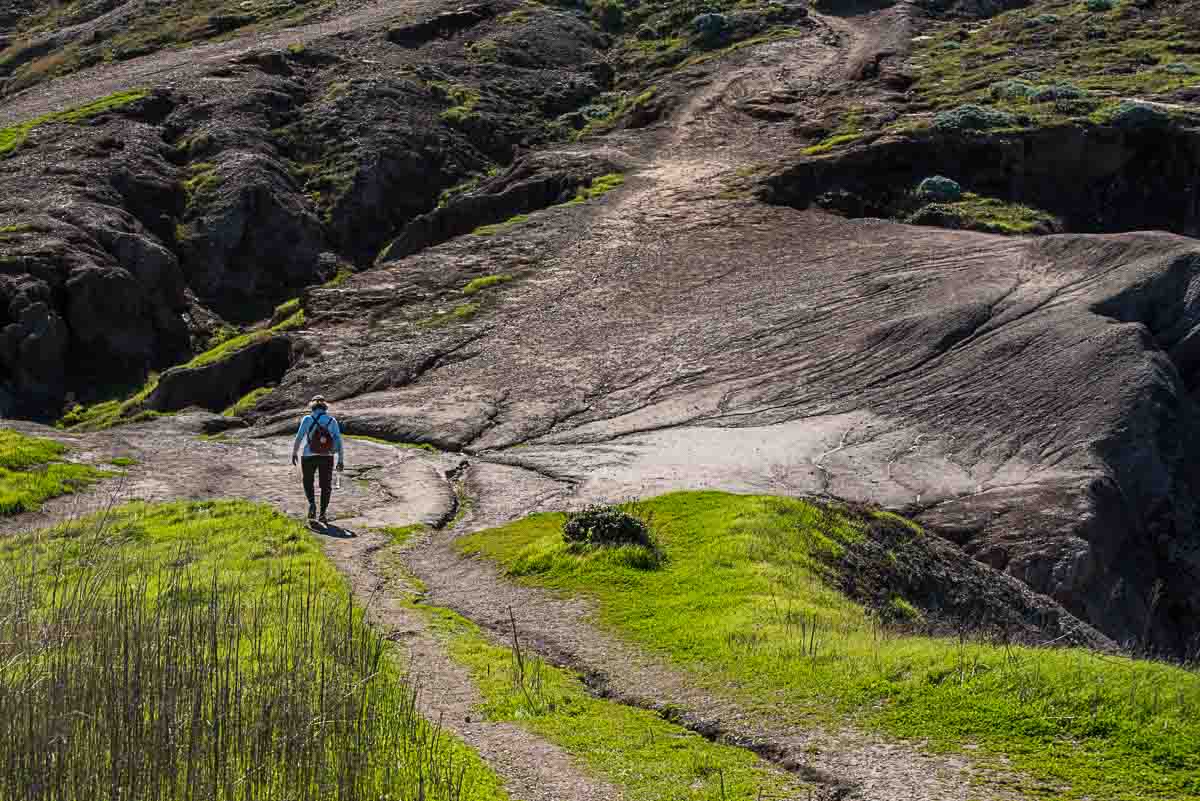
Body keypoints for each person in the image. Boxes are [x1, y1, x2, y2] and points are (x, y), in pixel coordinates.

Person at [291, 395, 344, 523]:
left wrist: (294, 452)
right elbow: (338, 440)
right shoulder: (332, 420)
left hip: (308, 455)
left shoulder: (308, 419)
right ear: (325, 407)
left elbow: (299, 437)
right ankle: (323, 513)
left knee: (308, 481)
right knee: (326, 486)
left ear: (313, 407)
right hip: (327, 456)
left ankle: (312, 505)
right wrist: (340, 459)